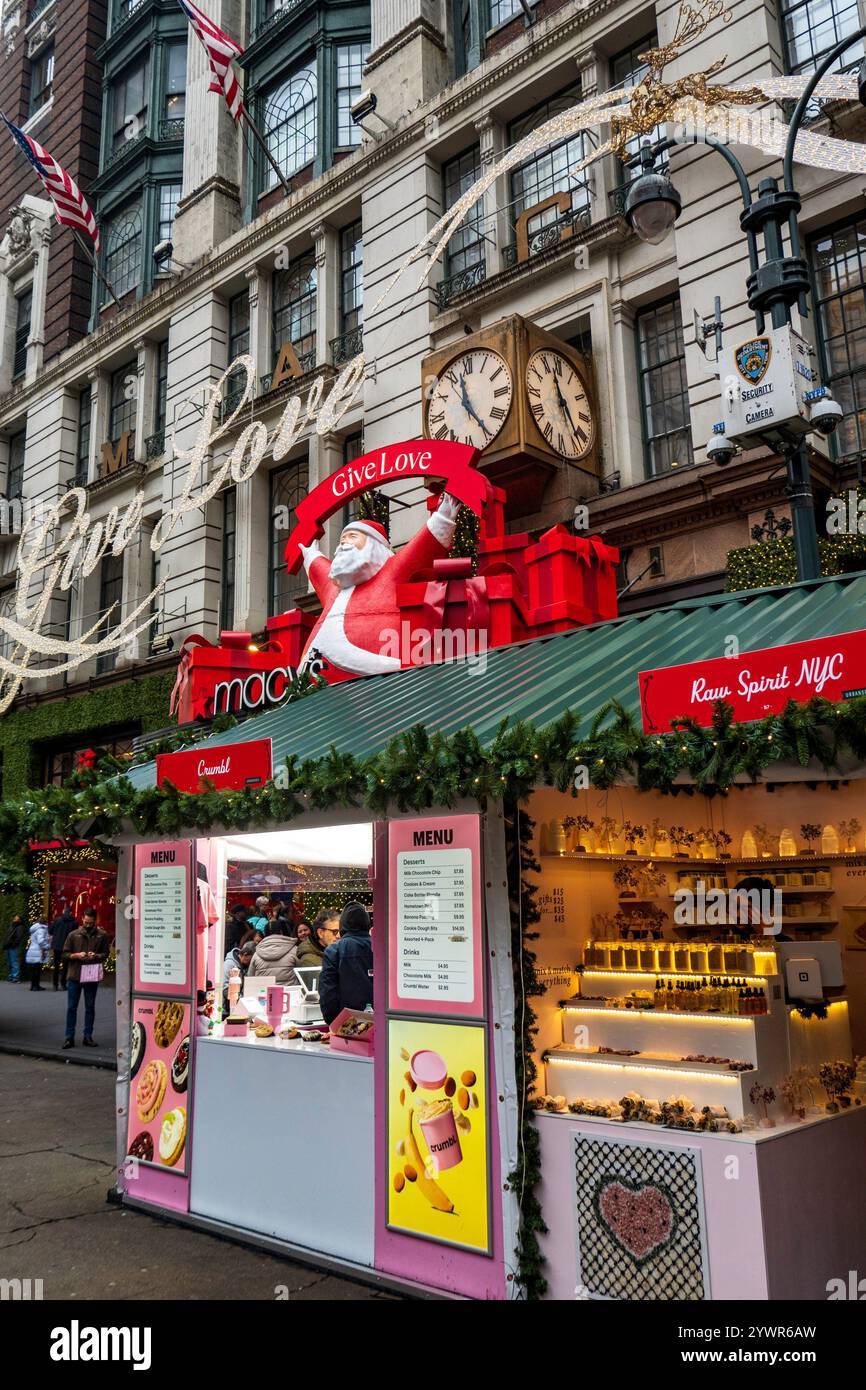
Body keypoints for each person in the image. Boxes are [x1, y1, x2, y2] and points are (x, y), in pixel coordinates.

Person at [62, 908, 110, 1048]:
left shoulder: (102, 935)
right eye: (86, 922)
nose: (88, 924)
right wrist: (76, 955)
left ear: (95, 920)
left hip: (91, 975)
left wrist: (96, 956)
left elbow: (105, 954)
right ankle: (69, 1037)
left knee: (90, 1007)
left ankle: (87, 1036)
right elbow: (64, 954)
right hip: (75, 976)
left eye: (90, 922)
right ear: (82, 919)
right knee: (72, 1007)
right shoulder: (73, 934)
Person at [319, 902, 373, 1026]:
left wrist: (333, 1023)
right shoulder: (381, 946)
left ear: (343, 924)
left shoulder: (334, 950)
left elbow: (328, 992)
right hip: (380, 1022)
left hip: (347, 1023)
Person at [222, 938, 255, 1010]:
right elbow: (225, 989)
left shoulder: (244, 966)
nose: (251, 963)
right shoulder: (229, 964)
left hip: (238, 1005)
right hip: (228, 1009)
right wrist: (243, 1001)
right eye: (251, 960)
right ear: (245, 955)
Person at [49, 906, 77, 991]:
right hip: (67, 947)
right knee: (65, 966)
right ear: (71, 912)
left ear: (64, 911)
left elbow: (50, 931)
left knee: (56, 966)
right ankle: (63, 984)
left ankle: (55, 985)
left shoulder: (57, 920)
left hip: (57, 946)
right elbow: (75, 935)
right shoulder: (74, 922)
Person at [25, 918, 50, 991]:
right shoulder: (41, 929)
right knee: (37, 970)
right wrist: (47, 946)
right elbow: (41, 941)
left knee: (34, 970)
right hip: (38, 952)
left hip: (32, 950)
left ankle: (33, 986)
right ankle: (36, 986)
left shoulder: (34, 929)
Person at [3, 914, 25, 982]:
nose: (14, 919)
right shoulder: (12, 925)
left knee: (14, 962)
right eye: (15, 918)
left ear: (19, 920)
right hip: (8, 946)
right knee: (9, 962)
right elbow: (7, 936)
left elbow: (19, 937)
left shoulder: (20, 927)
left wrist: (14, 944)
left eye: (16, 918)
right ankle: (11, 976)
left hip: (13, 946)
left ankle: (15, 977)